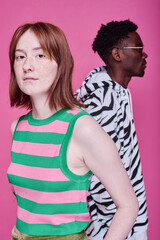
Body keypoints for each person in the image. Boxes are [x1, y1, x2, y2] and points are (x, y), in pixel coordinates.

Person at [7, 22, 138, 240]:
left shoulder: (81, 128)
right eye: (20, 57)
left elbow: (128, 205)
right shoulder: (18, 128)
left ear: (61, 63)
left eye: (39, 55)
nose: (27, 65)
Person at [76, 20, 148, 240]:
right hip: (113, 227)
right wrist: (123, 225)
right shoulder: (105, 100)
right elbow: (97, 172)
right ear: (117, 54)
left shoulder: (116, 93)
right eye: (139, 49)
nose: (145, 55)